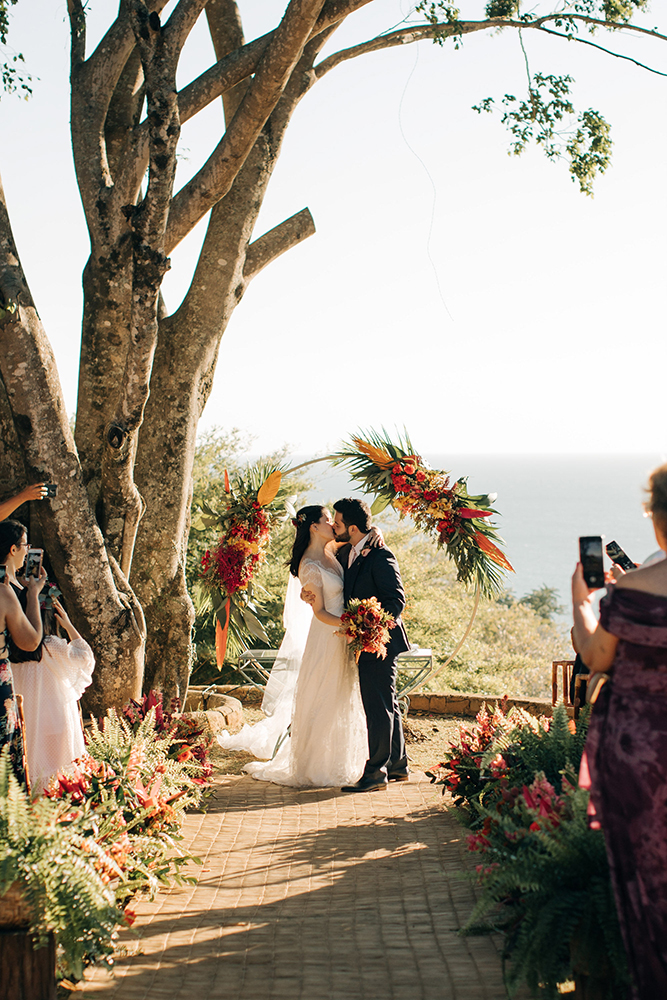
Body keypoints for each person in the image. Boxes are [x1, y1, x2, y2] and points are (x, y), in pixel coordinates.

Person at [572, 462, 667, 999]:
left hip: (641, 751)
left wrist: (583, 602)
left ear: (657, 519)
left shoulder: (632, 591)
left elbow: (595, 655)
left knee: (648, 878)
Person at [219, 505, 367, 787]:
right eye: (327, 520)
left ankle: (343, 757)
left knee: (343, 693)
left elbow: (359, 538)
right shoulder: (309, 565)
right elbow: (320, 613)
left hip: (341, 635)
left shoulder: (332, 550)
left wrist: (378, 535)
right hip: (328, 635)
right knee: (326, 694)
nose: (333, 524)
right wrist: (350, 626)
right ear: (313, 526)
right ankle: (317, 765)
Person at [322, 498, 410, 793]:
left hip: (378, 642)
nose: (334, 526)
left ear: (354, 527)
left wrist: (373, 628)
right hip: (362, 641)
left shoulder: (381, 556)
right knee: (388, 704)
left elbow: (396, 600)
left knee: (378, 706)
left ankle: (375, 773)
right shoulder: (348, 549)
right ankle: (398, 766)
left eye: (338, 522)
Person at [0, 520, 46, 785]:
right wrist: (32, 595)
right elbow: (30, 642)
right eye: (25, 546)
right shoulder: (5, 592)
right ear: (12, 549)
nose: (28, 551)